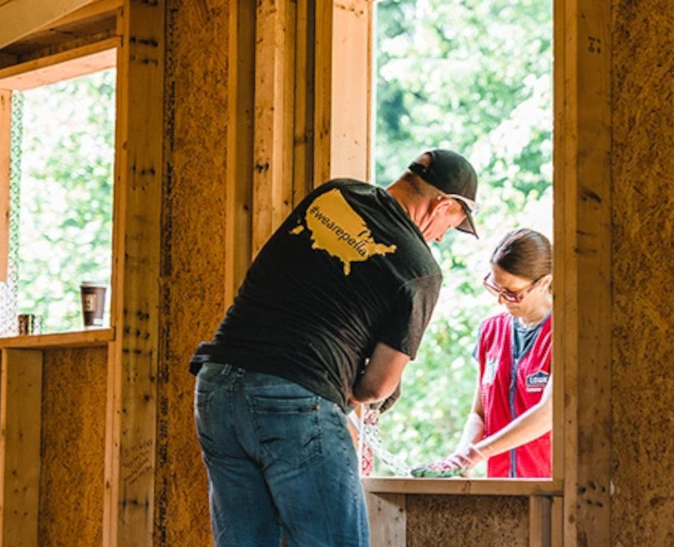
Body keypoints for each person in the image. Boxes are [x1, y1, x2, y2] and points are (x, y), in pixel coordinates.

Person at [189, 150, 480, 546]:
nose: (442, 236)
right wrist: (355, 388)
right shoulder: (420, 269)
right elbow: (376, 387)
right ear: (442, 204)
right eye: (451, 224)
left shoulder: (334, 193)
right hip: (294, 397)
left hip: (218, 386)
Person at [412, 228, 554, 479]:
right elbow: (479, 413)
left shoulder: (565, 334)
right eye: (495, 287)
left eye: (512, 293)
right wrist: (460, 459)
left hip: (547, 484)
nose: (502, 300)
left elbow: (549, 413)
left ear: (544, 282)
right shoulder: (491, 330)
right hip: (498, 483)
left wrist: (474, 454)